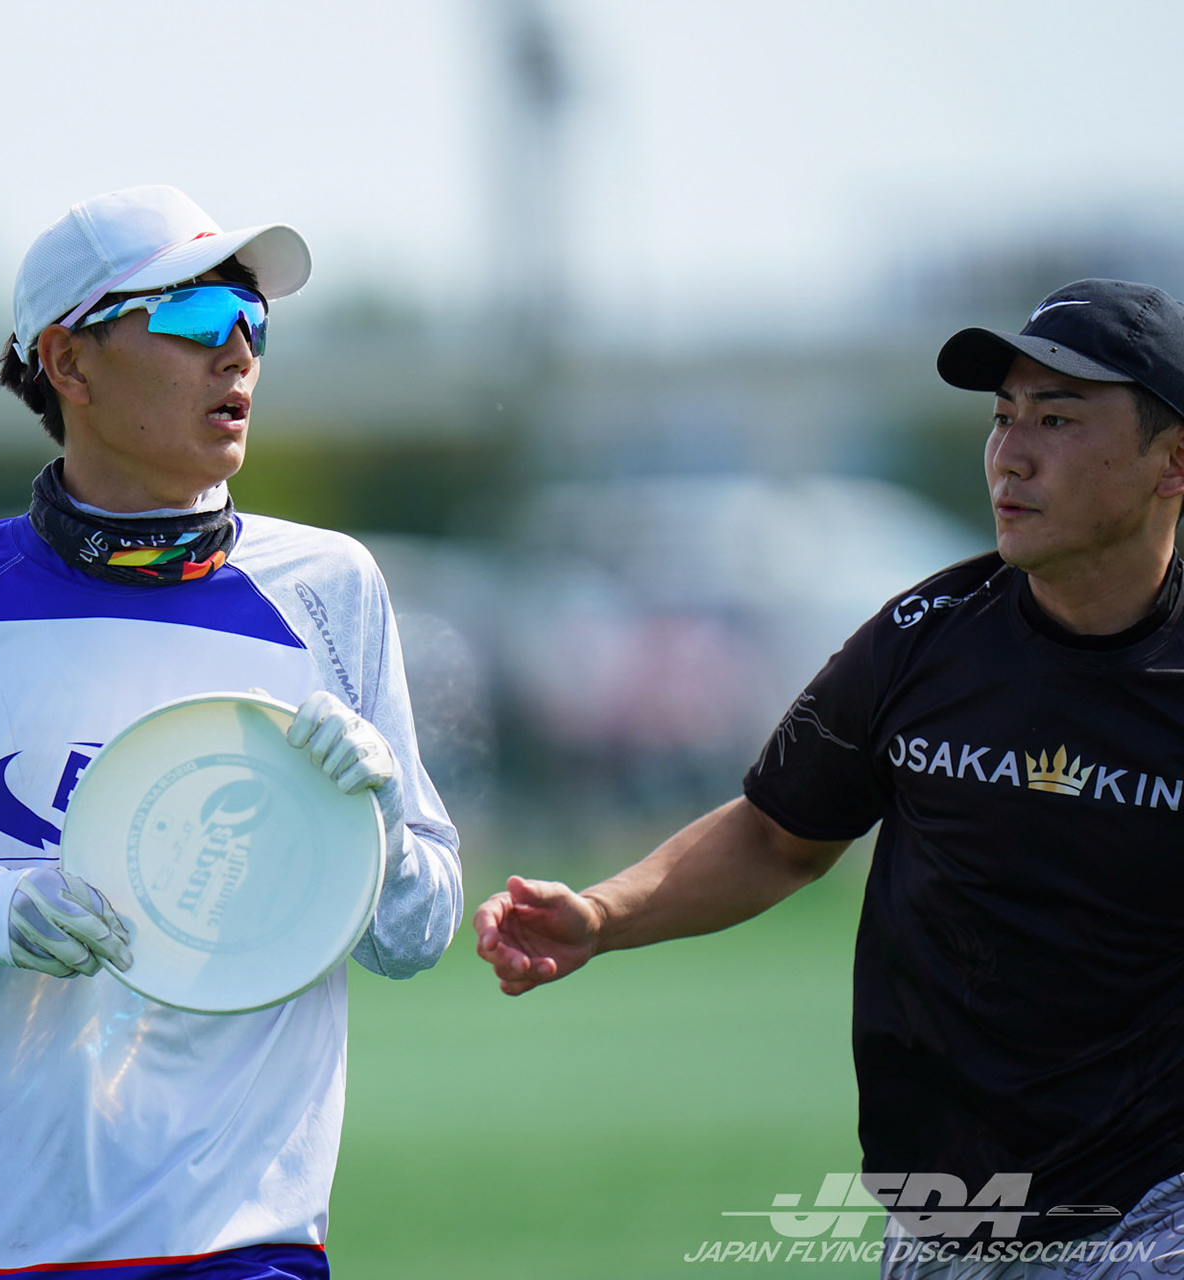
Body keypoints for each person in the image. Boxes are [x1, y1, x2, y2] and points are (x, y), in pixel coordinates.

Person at [0, 184, 461, 1280]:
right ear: (67, 361)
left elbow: (414, 936)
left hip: (236, 1250)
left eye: (252, 317)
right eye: (196, 316)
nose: (239, 352)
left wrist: (381, 827)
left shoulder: (333, 589)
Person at [475, 278, 1184, 1278]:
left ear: (1173, 460)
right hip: (947, 1220)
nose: (1011, 454)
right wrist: (601, 913)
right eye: (1003, 416)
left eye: (1057, 419)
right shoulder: (923, 640)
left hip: (1151, 1210)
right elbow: (778, 835)